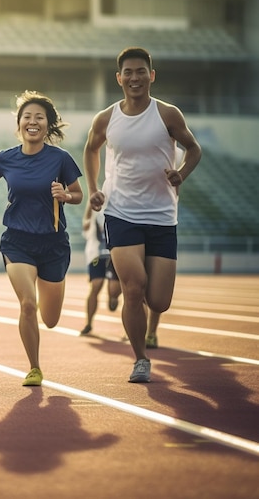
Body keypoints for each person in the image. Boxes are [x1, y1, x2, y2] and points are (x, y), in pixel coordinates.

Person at [83, 46, 201, 383]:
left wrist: (181, 172)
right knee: (133, 289)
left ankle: (149, 325)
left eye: (140, 72)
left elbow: (194, 149)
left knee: (159, 301)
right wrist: (93, 188)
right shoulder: (106, 118)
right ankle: (140, 358)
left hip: (162, 214)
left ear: (151, 75)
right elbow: (91, 150)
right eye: (128, 73)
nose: (134, 78)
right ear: (119, 78)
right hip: (120, 211)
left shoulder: (168, 115)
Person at [0, 90, 83, 387]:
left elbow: (79, 194)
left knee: (50, 319)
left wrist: (66, 195)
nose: (32, 121)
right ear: (20, 123)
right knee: (27, 304)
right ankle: (34, 367)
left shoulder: (61, 159)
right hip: (17, 240)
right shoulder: (5, 158)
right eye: (27, 117)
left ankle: (53, 292)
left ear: (48, 125)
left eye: (39, 117)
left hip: (53, 244)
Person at [79, 201, 121, 336]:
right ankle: (89, 323)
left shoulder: (117, 209)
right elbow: (85, 223)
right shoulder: (94, 212)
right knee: (96, 285)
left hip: (113, 254)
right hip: (96, 255)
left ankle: (113, 297)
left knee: (114, 292)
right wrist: (89, 203)